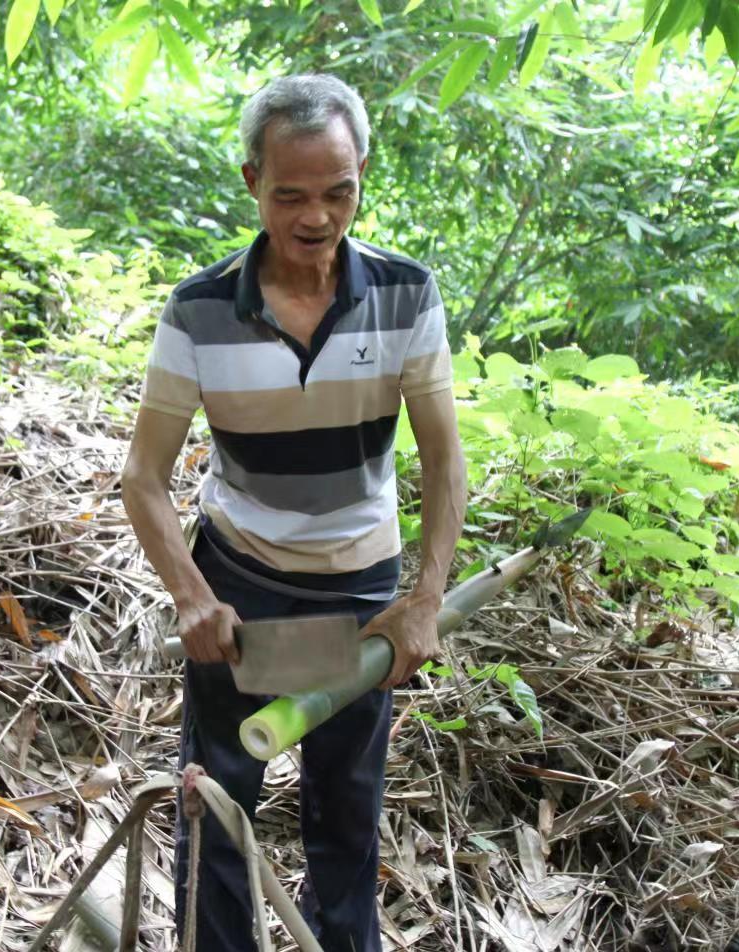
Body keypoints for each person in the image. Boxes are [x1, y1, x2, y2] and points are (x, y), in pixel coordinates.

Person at [120, 73, 467, 952]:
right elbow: (144, 478)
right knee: (216, 800)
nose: (317, 215)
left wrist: (423, 598)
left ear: (362, 177)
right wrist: (193, 595)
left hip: (362, 598)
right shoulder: (199, 311)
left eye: (338, 190)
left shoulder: (405, 295)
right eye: (291, 194)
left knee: (347, 812)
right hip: (242, 590)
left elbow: (444, 458)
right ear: (251, 184)